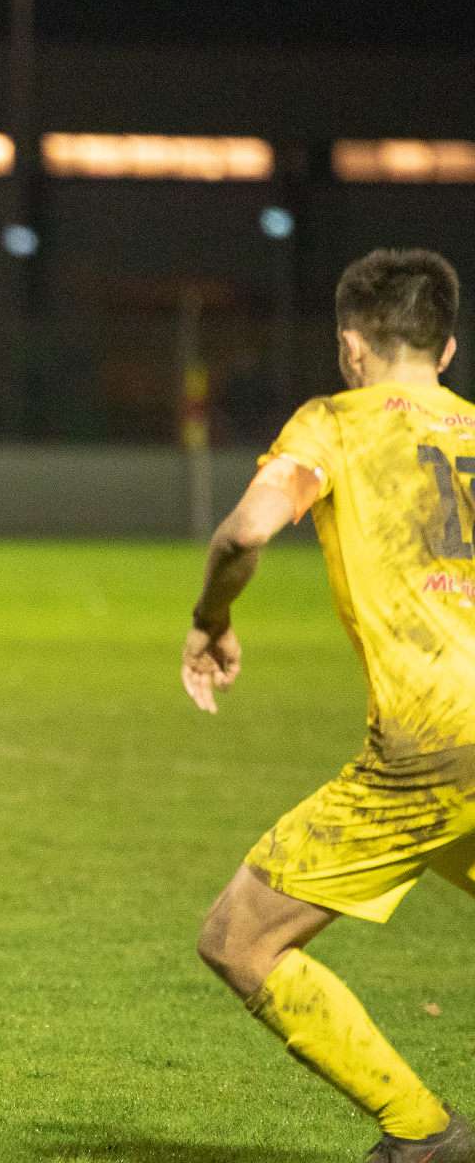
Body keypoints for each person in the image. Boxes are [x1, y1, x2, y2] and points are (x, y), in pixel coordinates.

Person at [184, 249, 475, 1162]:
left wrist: (210, 619)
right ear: (448, 349)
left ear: (351, 346)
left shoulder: (333, 424)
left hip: (433, 743)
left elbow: (245, 531)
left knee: (239, 939)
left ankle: (422, 1133)